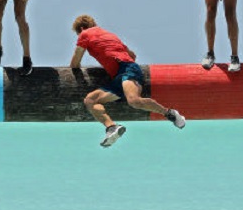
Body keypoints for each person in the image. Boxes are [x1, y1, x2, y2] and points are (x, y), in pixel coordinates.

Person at [69, 15, 186, 148]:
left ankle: (169, 113)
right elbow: (133, 55)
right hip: (120, 74)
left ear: (82, 28)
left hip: (127, 69)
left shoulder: (85, 33)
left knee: (134, 101)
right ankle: (112, 128)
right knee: (91, 99)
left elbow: (75, 62)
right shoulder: (110, 35)